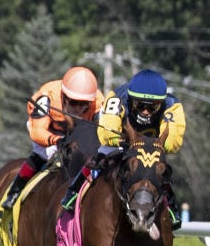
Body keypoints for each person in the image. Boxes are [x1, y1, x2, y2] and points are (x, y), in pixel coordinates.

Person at [59, 68, 187, 229]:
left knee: (160, 167)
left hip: (151, 143)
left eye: (152, 108)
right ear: (131, 100)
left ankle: (171, 207)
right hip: (123, 138)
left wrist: (150, 145)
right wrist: (120, 140)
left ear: (161, 103)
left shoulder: (172, 105)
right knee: (98, 158)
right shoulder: (117, 98)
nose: (145, 112)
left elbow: (173, 141)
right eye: (140, 105)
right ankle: (74, 191)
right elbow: (107, 133)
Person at [0, 66, 104, 211]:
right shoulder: (47, 97)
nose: (79, 109)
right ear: (64, 97)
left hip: (75, 130)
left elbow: (100, 132)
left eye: (84, 104)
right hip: (48, 130)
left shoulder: (98, 101)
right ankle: (15, 191)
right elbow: (37, 132)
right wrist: (56, 140)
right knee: (44, 154)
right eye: (74, 103)